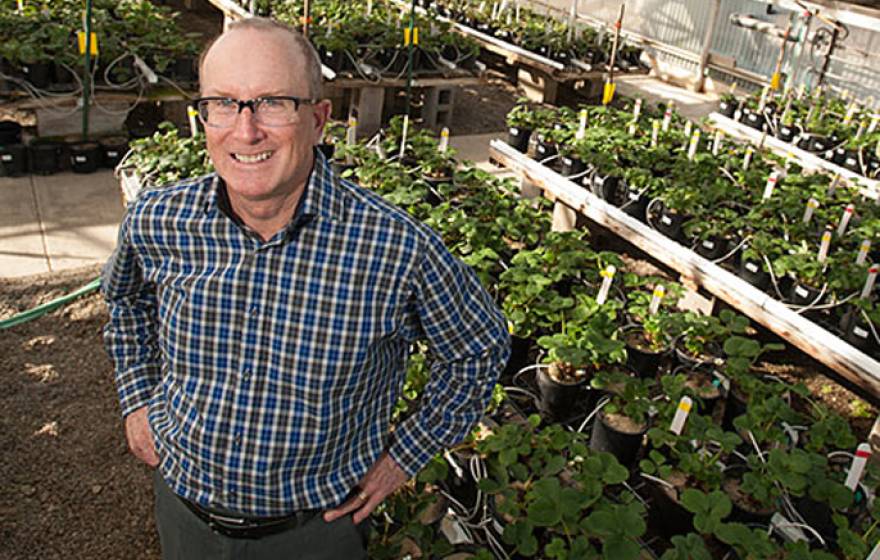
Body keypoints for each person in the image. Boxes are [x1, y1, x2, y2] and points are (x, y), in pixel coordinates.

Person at [101, 17, 510, 560]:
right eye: (223, 103)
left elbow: (478, 348)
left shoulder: (394, 248)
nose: (245, 132)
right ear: (202, 117)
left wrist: (402, 458)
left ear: (318, 119)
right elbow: (125, 300)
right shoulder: (160, 220)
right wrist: (137, 397)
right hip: (184, 516)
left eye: (273, 103)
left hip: (314, 533)